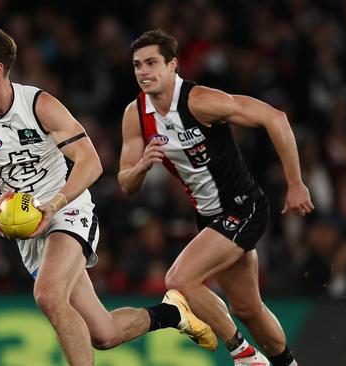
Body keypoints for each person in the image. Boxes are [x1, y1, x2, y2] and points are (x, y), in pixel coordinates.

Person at [0, 26, 216, 365]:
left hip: (66, 208)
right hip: (28, 227)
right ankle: (172, 313)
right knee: (103, 334)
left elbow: (91, 163)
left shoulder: (38, 105)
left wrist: (55, 204)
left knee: (48, 296)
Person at [118, 29, 313, 366]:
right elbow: (125, 183)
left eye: (151, 63)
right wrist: (142, 167)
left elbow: (275, 117)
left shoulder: (200, 101)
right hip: (209, 218)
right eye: (137, 65)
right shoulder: (135, 115)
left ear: (173, 65)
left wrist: (295, 183)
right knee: (247, 308)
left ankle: (244, 356)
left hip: (243, 207)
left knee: (179, 280)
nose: (143, 72)